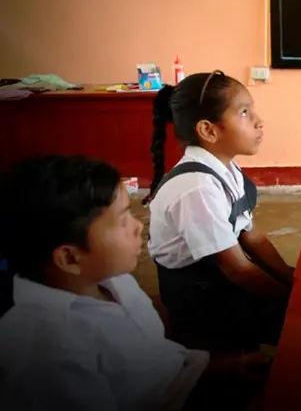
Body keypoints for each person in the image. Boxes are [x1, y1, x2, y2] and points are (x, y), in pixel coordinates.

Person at [0, 155, 269, 410]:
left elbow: (154, 361)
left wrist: (227, 367)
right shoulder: (49, 349)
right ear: (70, 258)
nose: (138, 226)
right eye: (122, 221)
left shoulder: (113, 281)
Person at [147, 71, 292, 352]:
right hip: (201, 300)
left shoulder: (225, 168)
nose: (259, 121)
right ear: (208, 131)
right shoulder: (196, 187)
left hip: (221, 278)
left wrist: (290, 278)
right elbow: (239, 269)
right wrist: (293, 300)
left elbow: (252, 236)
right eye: (244, 112)